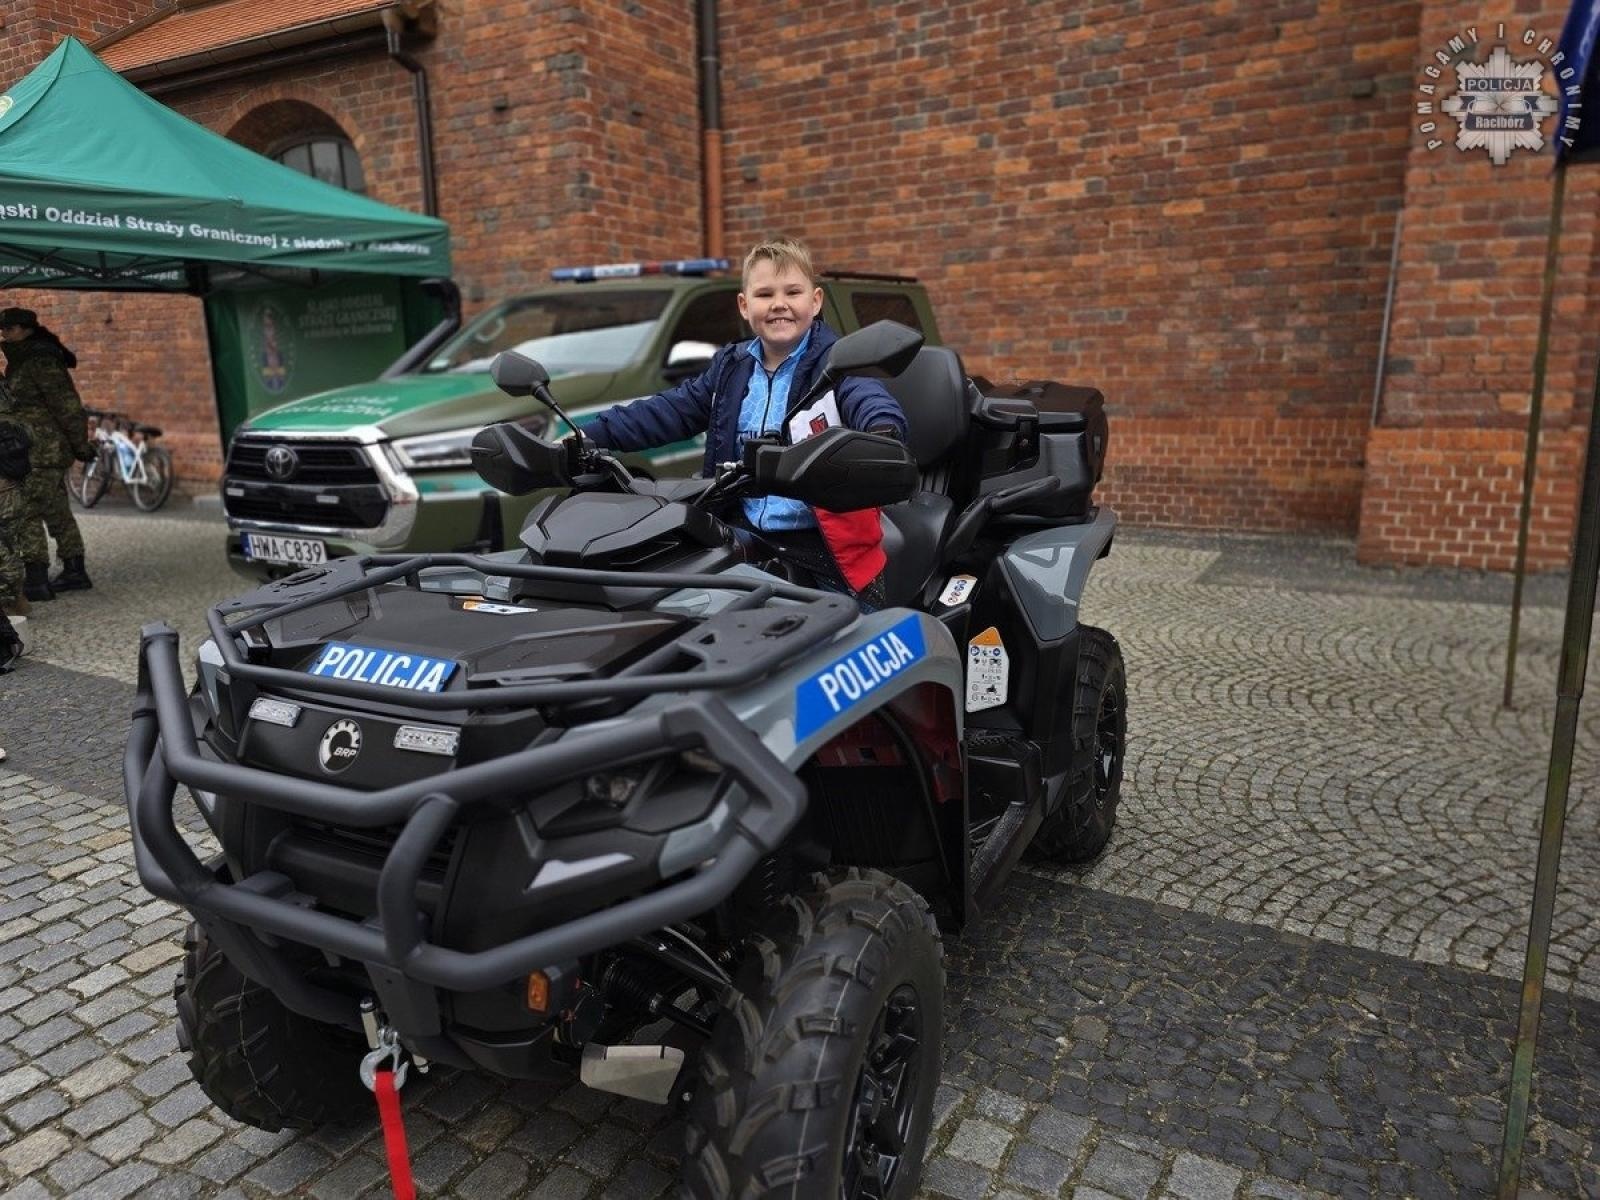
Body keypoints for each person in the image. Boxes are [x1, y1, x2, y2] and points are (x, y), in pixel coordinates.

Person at [584, 238, 907, 605]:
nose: (779, 304)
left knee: (848, 644)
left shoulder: (839, 364)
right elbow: (671, 410)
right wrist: (589, 436)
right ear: (744, 305)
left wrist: (883, 431)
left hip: (824, 549)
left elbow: (869, 398)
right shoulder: (731, 367)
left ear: (815, 301)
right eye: (765, 294)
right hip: (743, 537)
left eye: (793, 292)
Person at [0, 307, 94, 599]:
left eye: (9, 328)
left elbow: (67, 407)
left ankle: (36, 580)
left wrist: (80, 446)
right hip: (36, 449)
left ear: (26, 329)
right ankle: (75, 569)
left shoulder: (39, 360)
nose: (3, 334)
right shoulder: (23, 359)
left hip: (42, 451)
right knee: (55, 508)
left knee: (26, 509)